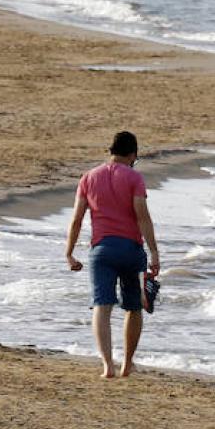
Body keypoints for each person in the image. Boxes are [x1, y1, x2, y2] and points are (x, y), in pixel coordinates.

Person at [64, 131, 159, 380]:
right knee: (134, 307)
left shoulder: (88, 178)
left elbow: (76, 219)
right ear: (133, 154)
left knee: (102, 306)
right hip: (132, 251)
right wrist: (155, 252)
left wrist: (69, 253)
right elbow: (142, 216)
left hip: (102, 251)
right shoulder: (134, 178)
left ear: (110, 151)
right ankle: (127, 364)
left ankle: (107, 366)